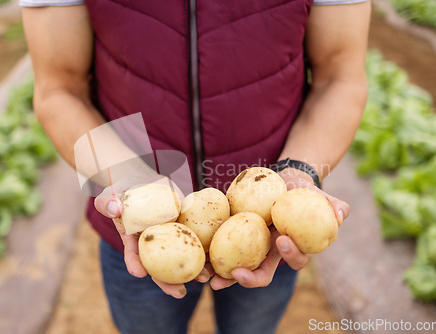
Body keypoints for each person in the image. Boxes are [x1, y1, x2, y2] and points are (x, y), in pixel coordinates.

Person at [21, 0, 370, 333]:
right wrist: (126, 177)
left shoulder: (267, 225)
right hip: (139, 228)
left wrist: (296, 171)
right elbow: (59, 89)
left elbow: (340, 78)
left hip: (267, 234)